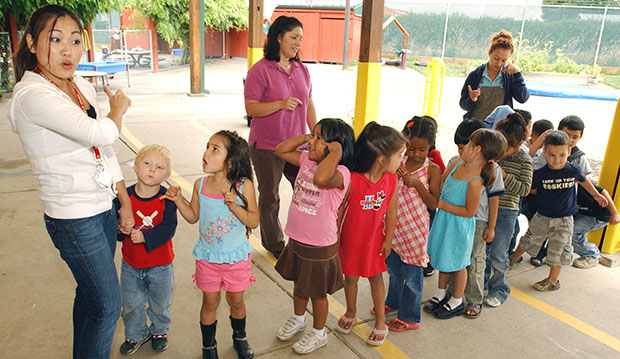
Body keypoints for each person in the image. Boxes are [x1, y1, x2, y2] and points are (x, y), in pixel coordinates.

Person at [8, 5, 133, 358]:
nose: (68, 50)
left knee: (91, 297)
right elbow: (100, 132)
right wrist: (119, 109)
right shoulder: (33, 95)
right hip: (74, 218)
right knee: (108, 306)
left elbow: (102, 151)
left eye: (76, 40)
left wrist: (123, 201)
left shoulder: (76, 84)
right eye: (56, 39)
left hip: (101, 207)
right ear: (31, 43)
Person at [163, 131, 259, 359]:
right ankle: (208, 346)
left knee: (236, 301)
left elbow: (254, 220)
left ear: (230, 160)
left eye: (214, 149)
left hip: (235, 257)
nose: (206, 152)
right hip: (208, 257)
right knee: (209, 302)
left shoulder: (243, 186)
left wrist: (235, 206)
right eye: (207, 146)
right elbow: (193, 215)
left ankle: (240, 337)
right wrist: (178, 200)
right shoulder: (201, 184)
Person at [273, 118, 355, 355]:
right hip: (297, 237)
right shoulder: (307, 160)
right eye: (314, 135)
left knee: (317, 293)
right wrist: (308, 138)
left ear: (336, 147)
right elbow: (281, 150)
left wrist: (335, 154)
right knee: (300, 285)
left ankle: (320, 332)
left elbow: (321, 179)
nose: (313, 142)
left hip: (320, 244)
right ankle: (299, 318)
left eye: (320, 138)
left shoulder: (341, 172)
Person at [244, 15, 317, 259]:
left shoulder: (302, 69)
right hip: (267, 146)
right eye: (294, 37)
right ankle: (275, 244)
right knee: (270, 196)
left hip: (298, 145)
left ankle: (305, 235)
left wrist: (316, 133)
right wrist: (280, 104)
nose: (298, 43)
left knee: (307, 190)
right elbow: (251, 108)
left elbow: (308, 103)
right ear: (278, 38)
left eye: (301, 39)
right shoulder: (260, 70)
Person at [509, 131, 608, 291]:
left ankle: (553, 280)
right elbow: (531, 190)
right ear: (545, 152)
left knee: (559, 248)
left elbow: (584, 181)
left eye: (562, 155)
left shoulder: (573, 170)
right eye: (552, 155)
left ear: (569, 152)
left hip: (565, 219)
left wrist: (596, 196)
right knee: (530, 238)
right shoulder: (540, 174)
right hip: (542, 216)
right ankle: (514, 257)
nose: (557, 160)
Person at [336, 122, 407, 346]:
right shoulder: (353, 180)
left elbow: (392, 211)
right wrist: (335, 234)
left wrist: (388, 239)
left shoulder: (391, 179)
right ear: (380, 158)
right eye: (399, 155)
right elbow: (339, 209)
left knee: (376, 278)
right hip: (350, 240)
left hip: (375, 241)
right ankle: (350, 311)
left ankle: (380, 322)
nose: (402, 161)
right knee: (350, 278)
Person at [424, 129, 506, 319]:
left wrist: (443, 204)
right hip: (445, 220)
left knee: (458, 264)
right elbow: (443, 185)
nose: (464, 147)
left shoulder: (476, 181)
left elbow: (470, 211)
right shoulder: (457, 164)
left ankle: (456, 300)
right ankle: (440, 293)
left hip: (459, 226)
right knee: (443, 257)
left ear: (477, 149)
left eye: (468, 143)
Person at [530, 116, 620, 268]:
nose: (571, 140)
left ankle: (590, 254)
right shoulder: (547, 157)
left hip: (589, 211)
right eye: (567, 135)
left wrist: (613, 212)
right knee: (545, 226)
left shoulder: (576, 169)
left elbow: (597, 189)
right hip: (560, 206)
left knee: (568, 235)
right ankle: (542, 253)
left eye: (575, 137)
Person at [117, 145, 177, 355]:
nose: (152, 169)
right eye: (147, 163)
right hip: (131, 265)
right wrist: (120, 229)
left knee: (159, 303)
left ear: (167, 175)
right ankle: (136, 334)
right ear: (135, 167)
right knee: (131, 304)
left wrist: (145, 236)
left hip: (161, 266)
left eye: (159, 167)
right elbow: (115, 226)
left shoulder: (167, 199)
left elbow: (169, 228)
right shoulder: (125, 198)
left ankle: (160, 330)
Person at [385, 117, 440, 331]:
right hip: (394, 227)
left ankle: (410, 316)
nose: (415, 154)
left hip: (415, 231)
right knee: (394, 270)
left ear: (430, 147)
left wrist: (418, 185)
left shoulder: (431, 170)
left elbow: (434, 203)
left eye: (422, 149)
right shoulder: (397, 161)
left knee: (412, 277)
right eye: (410, 148)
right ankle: (394, 301)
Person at [483, 113, 532, 307]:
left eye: (508, 147)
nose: (503, 151)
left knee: (498, 254)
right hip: (486, 209)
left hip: (506, 212)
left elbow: (525, 189)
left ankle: (499, 290)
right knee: (483, 252)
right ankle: (482, 284)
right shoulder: (494, 154)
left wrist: (504, 176)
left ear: (520, 144)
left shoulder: (525, 161)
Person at [460, 30, 529, 121]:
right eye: (496, 58)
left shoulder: (510, 77)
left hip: (500, 130)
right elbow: (463, 104)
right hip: (477, 127)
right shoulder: (475, 75)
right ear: (489, 53)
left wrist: (517, 74)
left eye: (504, 60)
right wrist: (472, 99)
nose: (499, 63)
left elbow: (522, 98)